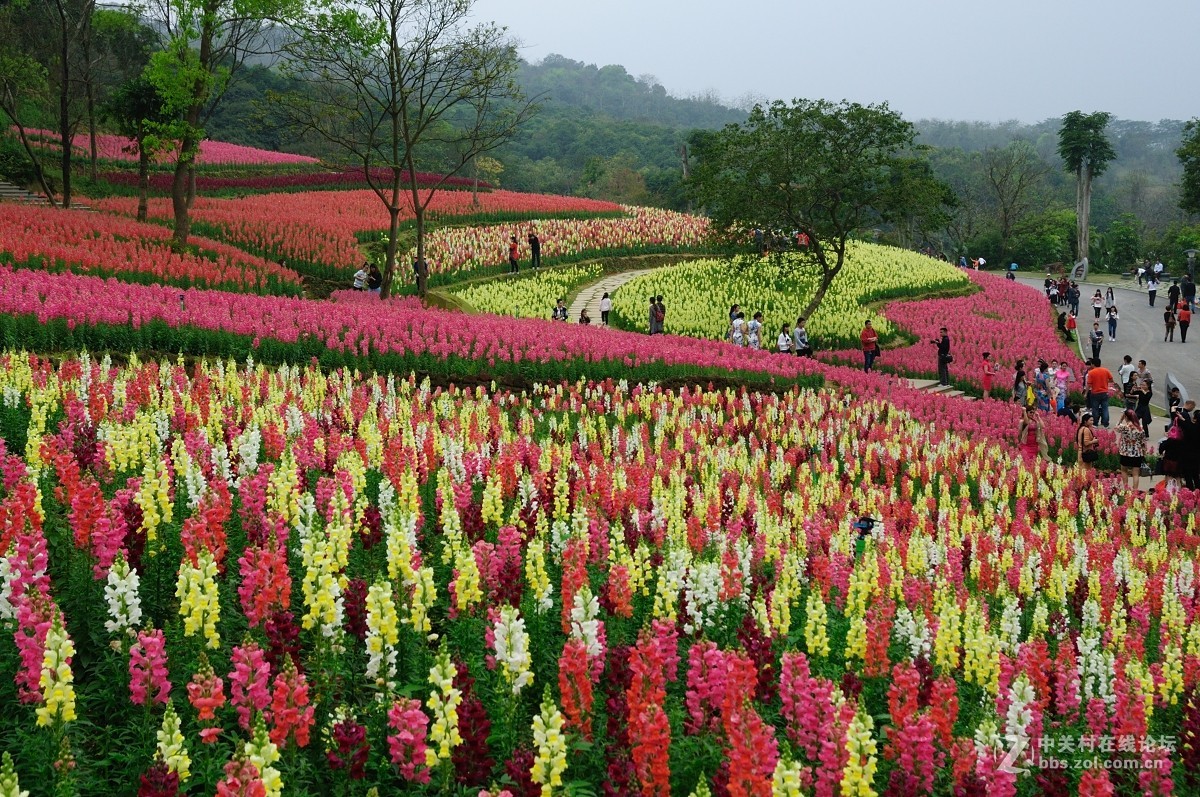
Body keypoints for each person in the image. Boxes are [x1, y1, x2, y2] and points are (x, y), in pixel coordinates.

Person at [1116, 408, 1148, 491]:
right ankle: (1135, 490)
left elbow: (1116, 427)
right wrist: (1144, 451)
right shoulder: (1140, 428)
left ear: (1126, 417)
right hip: (1137, 453)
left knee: (1124, 470)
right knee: (1136, 473)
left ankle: (1126, 489)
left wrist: (1121, 419)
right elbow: (1143, 441)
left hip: (1125, 452)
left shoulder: (1124, 427)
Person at [1085, 358, 1114, 428]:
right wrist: (1105, 382)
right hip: (1104, 392)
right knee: (1105, 408)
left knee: (1095, 409)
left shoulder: (1091, 372)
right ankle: (1106, 424)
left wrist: (1085, 393)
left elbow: (1089, 384)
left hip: (1095, 393)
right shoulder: (1105, 370)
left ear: (1093, 364)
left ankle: (1095, 423)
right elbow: (1111, 379)